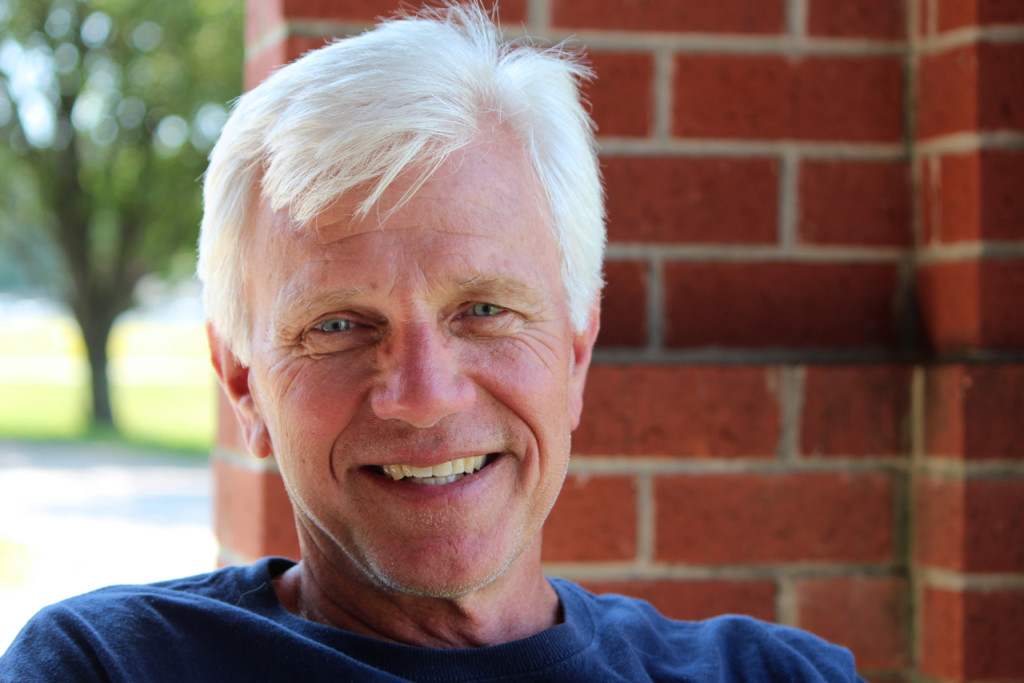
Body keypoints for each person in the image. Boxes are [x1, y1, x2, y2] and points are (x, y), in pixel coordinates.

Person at [1, 3, 866, 680]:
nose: (422, 393)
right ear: (242, 384)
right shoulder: (108, 666)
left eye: (484, 309)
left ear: (573, 351)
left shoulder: (773, 674)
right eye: (338, 325)